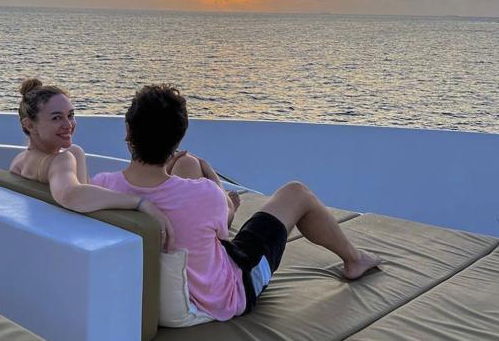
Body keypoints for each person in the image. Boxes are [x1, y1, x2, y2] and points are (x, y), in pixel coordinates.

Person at [90, 84, 382, 321]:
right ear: (178, 136)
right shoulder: (205, 194)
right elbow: (227, 221)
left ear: (128, 131)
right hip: (223, 296)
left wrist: (188, 168)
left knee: (189, 164)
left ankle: (187, 163)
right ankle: (355, 260)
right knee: (296, 193)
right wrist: (213, 178)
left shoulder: (102, 185)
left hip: (156, 294)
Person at [9, 78, 175, 249]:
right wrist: (141, 203)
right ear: (30, 125)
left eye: (71, 115)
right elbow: (70, 194)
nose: (68, 125)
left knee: (76, 151)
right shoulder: (61, 160)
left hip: (38, 241)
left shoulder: (20, 160)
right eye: (56, 118)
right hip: (67, 248)